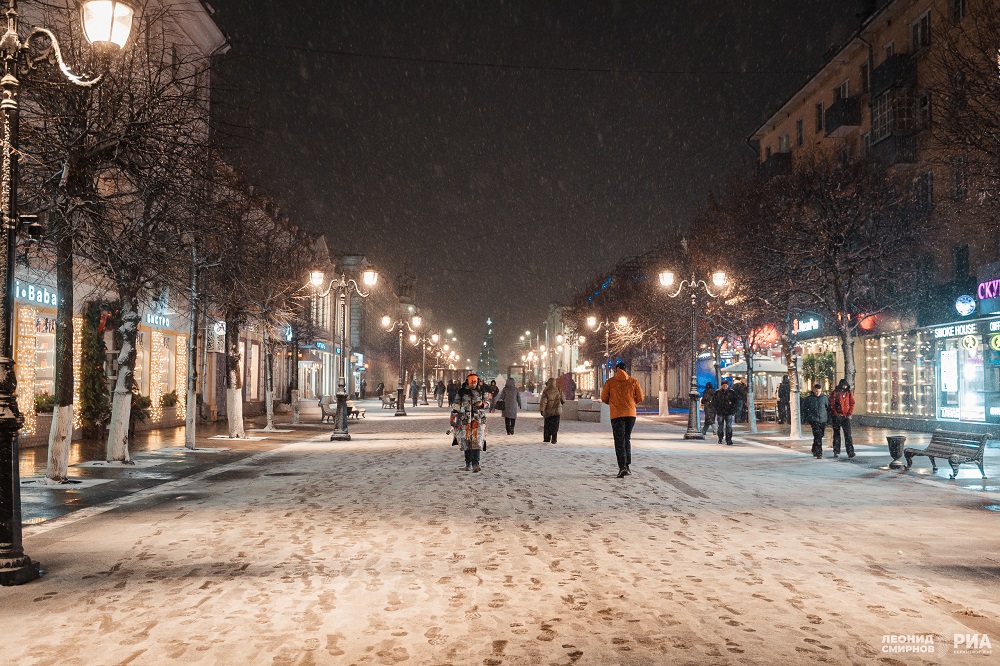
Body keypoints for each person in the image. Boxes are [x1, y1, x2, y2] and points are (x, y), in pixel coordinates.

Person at [600, 361, 644, 478]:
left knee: (619, 441)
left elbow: (604, 397)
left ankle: (622, 466)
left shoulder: (610, 382)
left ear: (617, 369)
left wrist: (613, 402)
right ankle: (628, 465)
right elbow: (640, 397)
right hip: (630, 415)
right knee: (626, 438)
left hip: (616, 415)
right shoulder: (633, 382)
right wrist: (631, 403)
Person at [455, 373, 488, 472]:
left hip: (478, 420)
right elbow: (455, 404)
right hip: (465, 420)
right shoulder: (461, 392)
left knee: (476, 442)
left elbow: (487, 402)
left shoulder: (481, 391)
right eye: (471, 381)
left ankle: (475, 464)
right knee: (466, 442)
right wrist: (459, 411)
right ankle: (467, 464)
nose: (473, 383)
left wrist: (482, 404)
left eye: (475, 381)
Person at [802, 382, 830, 459]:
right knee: (818, 435)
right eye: (816, 391)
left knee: (820, 436)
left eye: (819, 391)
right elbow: (804, 409)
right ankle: (819, 452)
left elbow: (828, 408)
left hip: (823, 419)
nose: (818, 393)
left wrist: (828, 418)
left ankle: (814, 448)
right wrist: (806, 418)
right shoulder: (809, 399)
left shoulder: (824, 398)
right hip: (814, 419)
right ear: (813, 390)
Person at [829, 379, 856, 459]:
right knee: (837, 434)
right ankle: (836, 451)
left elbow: (852, 403)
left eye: (846, 385)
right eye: (843, 385)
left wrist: (849, 413)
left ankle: (850, 451)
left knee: (848, 435)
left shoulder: (849, 392)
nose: (845, 387)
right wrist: (835, 413)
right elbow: (832, 404)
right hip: (837, 416)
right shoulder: (835, 392)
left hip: (846, 416)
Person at [711, 380, 738, 445]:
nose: (725, 386)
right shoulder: (717, 392)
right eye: (723, 385)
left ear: (728, 385)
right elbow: (714, 402)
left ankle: (728, 439)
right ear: (721, 386)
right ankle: (720, 438)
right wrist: (717, 408)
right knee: (721, 426)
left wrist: (733, 409)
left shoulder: (731, 392)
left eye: (726, 385)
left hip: (729, 411)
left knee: (729, 426)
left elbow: (735, 402)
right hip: (720, 411)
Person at [539, 377, 564, 443]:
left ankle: (547, 438)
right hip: (557, 412)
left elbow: (543, 402)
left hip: (548, 412)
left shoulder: (546, 391)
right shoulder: (558, 390)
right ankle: (554, 438)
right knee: (555, 426)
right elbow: (563, 400)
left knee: (547, 425)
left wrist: (542, 410)